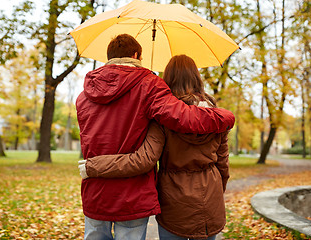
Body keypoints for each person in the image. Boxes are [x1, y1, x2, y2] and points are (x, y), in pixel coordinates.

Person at [76, 34, 233, 240]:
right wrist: (224, 116)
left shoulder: (84, 95)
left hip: (95, 188)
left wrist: (92, 166)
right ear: (136, 55)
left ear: (109, 56)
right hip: (132, 193)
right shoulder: (150, 86)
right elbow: (186, 118)